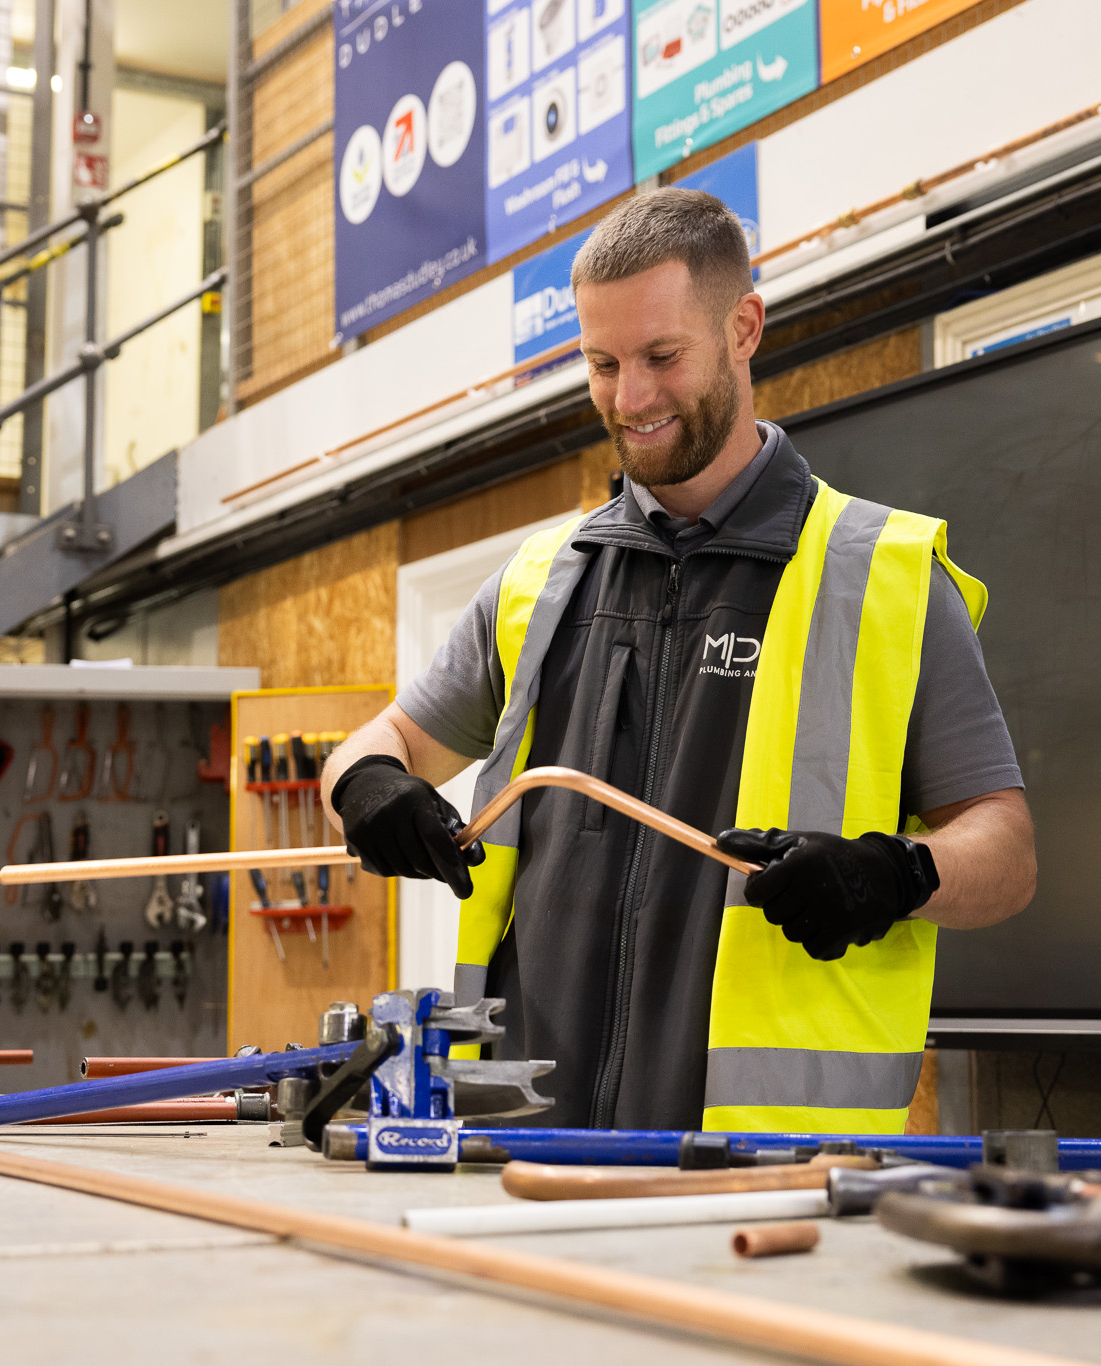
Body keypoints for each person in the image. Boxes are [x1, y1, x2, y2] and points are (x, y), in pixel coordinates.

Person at [321, 189, 1035, 1133]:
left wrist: (895, 875)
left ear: (743, 329)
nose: (630, 398)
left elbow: (1007, 853)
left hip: (757, 1176)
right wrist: (369, 784)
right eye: (602, 363)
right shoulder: (542, 582)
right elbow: (386, 740)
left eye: (662, 357)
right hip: (523, 1149)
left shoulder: (885, 578)